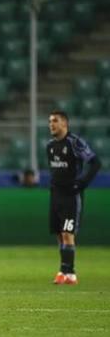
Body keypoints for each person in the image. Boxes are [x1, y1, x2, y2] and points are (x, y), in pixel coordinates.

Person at [46, 110, 101, 285]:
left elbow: (95, 162)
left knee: (67, 233)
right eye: (49, 121)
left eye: (55, 121)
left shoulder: (74, 142)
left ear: (64, 124)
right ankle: (65, 271)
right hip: (56, 195)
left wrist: (82, 182)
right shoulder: (50, 145)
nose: (51, 124)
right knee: (59, 235)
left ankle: (69, 273)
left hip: (71, 196)